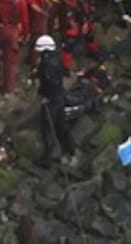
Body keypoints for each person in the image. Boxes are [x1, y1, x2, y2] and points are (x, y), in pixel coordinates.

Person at [34, 35, 75, 165]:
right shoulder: (56, 58)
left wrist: (44, 95)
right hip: (59, 96)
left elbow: (50, 82)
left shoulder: (46, 64)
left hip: (51, 99)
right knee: (61, 124)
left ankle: (49, 157)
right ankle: (70, 148)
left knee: (47, 126)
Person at [59, 0, 101, 69]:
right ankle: (67, 64)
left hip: (86, 11)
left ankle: (93, 52)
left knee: (89, 34)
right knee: (70, 38)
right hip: (72, 12)